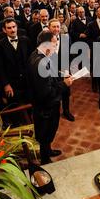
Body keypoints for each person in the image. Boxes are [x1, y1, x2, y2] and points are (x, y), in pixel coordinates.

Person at [27, 31, 73, 164]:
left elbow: (46, 78)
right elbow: (46, 92)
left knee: (47, 134)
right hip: (46, 108)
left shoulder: (37, 54)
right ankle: (45, 160)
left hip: (45, 106)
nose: (55, 47)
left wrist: (59, 73)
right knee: (46, 134)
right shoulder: (40, 62)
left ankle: (48, 150)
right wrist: (65, 83)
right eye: (54, 44)